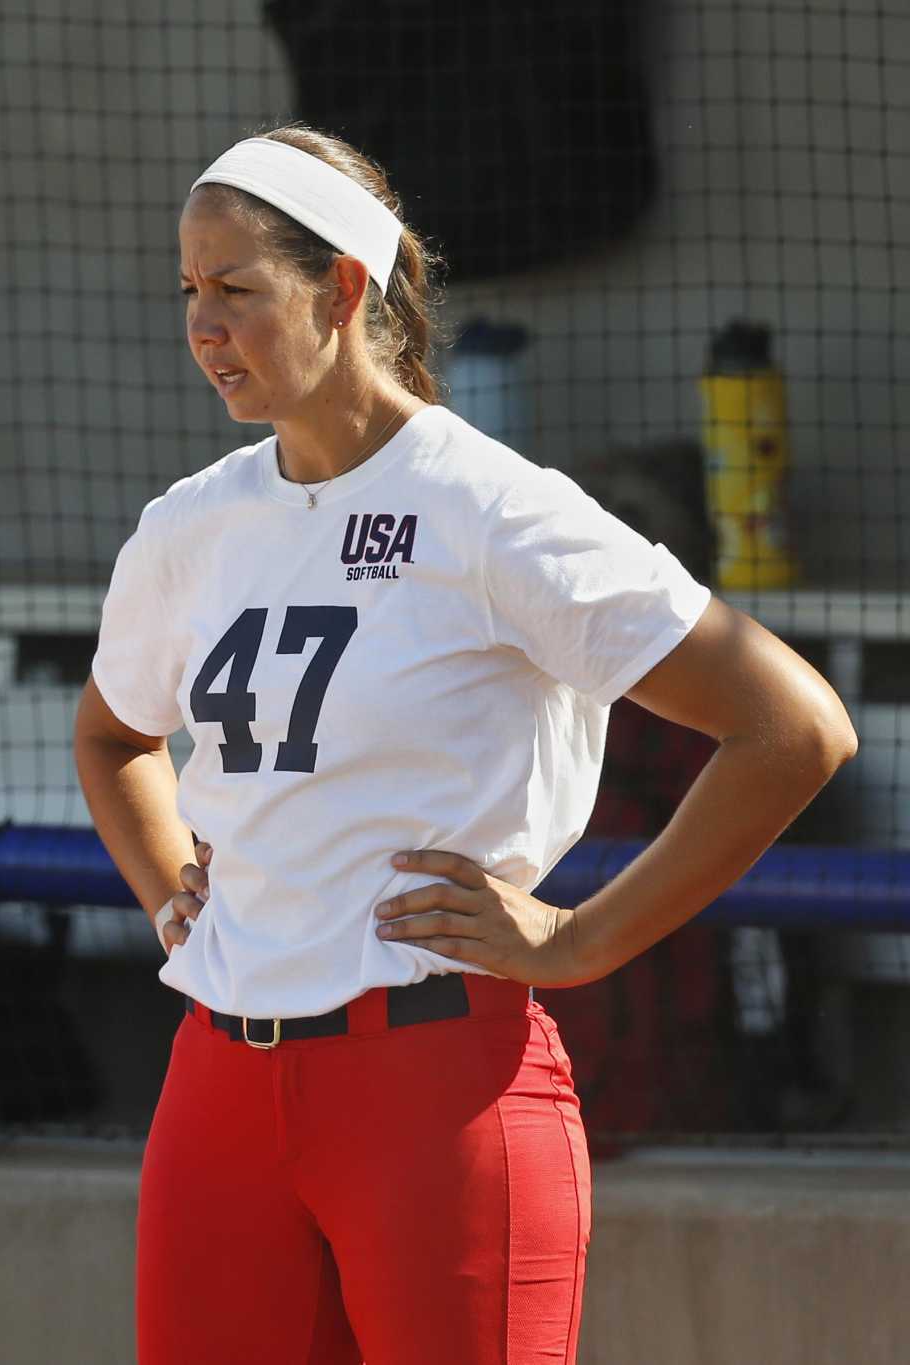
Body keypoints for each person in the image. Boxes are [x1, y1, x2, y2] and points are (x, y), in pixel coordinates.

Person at [72, 126, 857, 1365]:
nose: (201, 325)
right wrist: (175, 892)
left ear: (339, 289)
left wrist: (583, 936)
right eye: (187, 291)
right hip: (215, 1085)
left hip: (434, 1082)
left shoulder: (491, 508)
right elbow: (113, 734)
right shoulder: (190, 525)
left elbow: (793, 727)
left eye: (235, 289)